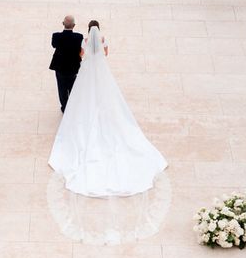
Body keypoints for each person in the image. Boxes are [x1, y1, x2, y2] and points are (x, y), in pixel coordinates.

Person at [49, 23, 167, 197]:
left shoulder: (84, 41)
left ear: (89, 30)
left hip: (88, 69)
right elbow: (105, 53)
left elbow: (81, 55)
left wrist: (87, 57)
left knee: (84, 92)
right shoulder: (103, 40)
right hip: (101, 68)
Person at [49, 14, 83, 112]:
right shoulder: (79, 37)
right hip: (73, 67)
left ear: (63, 23)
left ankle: (64, 107)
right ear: (74, 25)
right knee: (72, 87)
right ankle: (72, 107)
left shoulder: (56, 36)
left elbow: (54, 45)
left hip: (60, 67)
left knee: (61, 88)